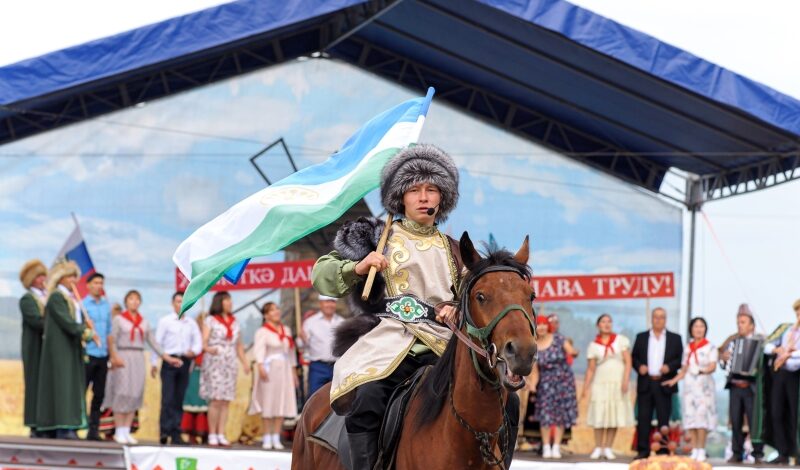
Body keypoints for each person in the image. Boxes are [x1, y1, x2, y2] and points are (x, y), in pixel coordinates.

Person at [313, 145, 520, 469]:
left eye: (431, 189)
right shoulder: (374, 237)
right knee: (368, 397)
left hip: (444, 347)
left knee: (509, 402)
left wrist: (456, 307)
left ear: (443, 197)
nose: (423, 197)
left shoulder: (456, 250)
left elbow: (476, 300)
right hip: (388, 343)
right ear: (400, 197)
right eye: (414, 189)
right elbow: (321, 276)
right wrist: (358, 266)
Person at [105, 290, 181, 444]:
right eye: (131, 299)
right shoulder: (119, 319)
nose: (134, 302)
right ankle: (119, 430)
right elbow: (112, 339)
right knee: (122, 393)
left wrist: (167, 358)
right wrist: (114, 357)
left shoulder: (144, 322)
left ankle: (127, 430)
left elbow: (153, 342)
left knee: (135, 393)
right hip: (123, 356)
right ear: (126, 302)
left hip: (138, 357)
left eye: (137, 299)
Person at [35, 260, 99, 439]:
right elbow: (67, 323)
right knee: (63, 385)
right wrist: (85, 332)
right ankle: (63, 426)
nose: (73, 280)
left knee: (72, 386)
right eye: (70, 276)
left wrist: (85, 325)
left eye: (75, 277)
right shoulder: (56, 297)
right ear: (61, 278)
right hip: (60, 348)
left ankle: (71, 424)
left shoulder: (72, 299)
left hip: (72, 347)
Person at [151, 291, 202, 445]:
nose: (181, 304)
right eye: (178, 301)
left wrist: (193, 351)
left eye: (183, 301)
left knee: (179, 398)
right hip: (169, 361)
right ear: (173, 303)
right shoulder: (165, 321)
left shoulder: (191, 323)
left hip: (184, 361)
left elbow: (198, 342)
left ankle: (176, 432)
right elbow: (157, 343)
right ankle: (164, 431)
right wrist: (154, 363)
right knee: (168, 398)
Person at [631, 307, 683, 459]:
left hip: (664, 383)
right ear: (651, 319)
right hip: (646, 382)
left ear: (665, 320)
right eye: (656, 317)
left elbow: (679, 360)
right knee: (643, 418)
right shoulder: (641, 337)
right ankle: (643, 450)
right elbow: (634, 357)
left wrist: (669, 367)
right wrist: (639, 366)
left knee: (664, 418)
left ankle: (662, 450)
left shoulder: (675, 338)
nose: (658, 320)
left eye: (662, 317)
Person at [663, 317, 717, 462]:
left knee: (702, 419)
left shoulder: (710, 347)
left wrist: (701, 371)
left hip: (703, 386)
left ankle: (702, 449)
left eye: (701, 326)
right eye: (696, 326)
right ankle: (694, 449)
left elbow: (712, 366)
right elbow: (684, 369)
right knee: (691, 418)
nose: (698, 329)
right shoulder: (688, 347)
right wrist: (673, 380)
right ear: (691, 329)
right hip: (689, 387)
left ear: (705, 329)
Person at [200, 291, 250, 447]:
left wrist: (244, 362)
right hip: (215, 361)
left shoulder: (235, 322)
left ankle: (221, 433)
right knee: (216, 399)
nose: (230, 303)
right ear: (219, 302)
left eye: (230, 300)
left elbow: (239, 345)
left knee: (226, 400)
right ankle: (212, 433)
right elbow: (204, 342)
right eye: (226, 300)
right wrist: (209, 349)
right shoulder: (210, 320)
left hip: (230, 362)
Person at [580, 314, 633, 460]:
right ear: (598, 325)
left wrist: (625, 380)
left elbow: (628, 362)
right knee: (600, 413)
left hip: (617, 381)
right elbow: (591, 369)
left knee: (613, 415)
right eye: (603, 321)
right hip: (600, 382)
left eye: (609, 321)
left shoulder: (620, 340)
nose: (607, 324)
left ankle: (608, 447)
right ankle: (598, 447)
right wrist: (585, 387)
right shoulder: (593, 345)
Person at [718, 304, 764, 463]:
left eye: (743, 322)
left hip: (751, 388)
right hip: (735, 386)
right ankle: (736, 452)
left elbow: (762, 364)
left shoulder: (760, 341)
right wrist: (724, 359)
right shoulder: (732, 341)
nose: (740, 325)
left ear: (751, 325)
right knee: (736, 420)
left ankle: (758, 453)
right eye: (738, 322)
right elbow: (723, 361)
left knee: (754, 421)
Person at [248, 302, 298, 450]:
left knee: (281, 400)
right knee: (268, 401)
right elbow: (259, 350)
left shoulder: (286, 330)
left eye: (277, 309)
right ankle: (266, 436)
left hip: (284, 369)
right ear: (266, 315)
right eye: (272, 310)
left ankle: (276, 436)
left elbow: (291, 352)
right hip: (269, 368)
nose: (276, 312)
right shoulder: (263, 331)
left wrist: (293, 371)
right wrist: (260, 365)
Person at [529, 315, 578, 459]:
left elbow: (571, 351)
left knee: (560, 415)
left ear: (548, 326)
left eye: (544, 324)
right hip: (545, 383)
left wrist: (574, 352)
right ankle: (546, 446)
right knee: (545, 415)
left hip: (564, 381)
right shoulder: (534, 345)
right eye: (538, 324)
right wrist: (533, 385)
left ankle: (556, 446)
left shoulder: (558, 338)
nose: (541, 327)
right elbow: (535, 370)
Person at [760, 299, 800, 464]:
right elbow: (766, 346)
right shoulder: (786, 330)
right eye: (797, 311)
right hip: (780, 374)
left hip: (796, 376)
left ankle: (797, 452)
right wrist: (777, 349)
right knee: (776, 412)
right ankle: (782, 451)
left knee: (795, 414)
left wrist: (790, 354)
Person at [18, 259, 48, 437]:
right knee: (34, 384)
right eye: (39, 276)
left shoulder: (48, 296)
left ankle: (46, 422)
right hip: (34, 347)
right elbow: (36, 321)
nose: (43, 279)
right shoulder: (28, 299)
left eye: (44, 275)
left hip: (47, 347)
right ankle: (34, 424)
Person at [83, 272, 112, 441]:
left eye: (101, 283)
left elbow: (109, 332)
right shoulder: (82, 305)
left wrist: (111, 354)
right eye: (95, 283)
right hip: (88, 354)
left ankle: (93, 429)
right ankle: (77, 426)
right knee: (82, 390)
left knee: (99, 394)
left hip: (103, 355)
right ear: (88, 285)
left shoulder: (106, 305)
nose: (98, 286)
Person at [299, 295, 343, 397]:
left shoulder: (342, 322)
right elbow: (301, 345)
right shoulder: (310, 322)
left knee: (338, 398)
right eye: (327, 301)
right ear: (321, 303)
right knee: (315, 398)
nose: (329, 305)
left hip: (337, 366)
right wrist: (302, 339)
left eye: (332, 301)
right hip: (317, 367)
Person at [181, 312, 210, 445]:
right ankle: (192, 433)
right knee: (194, 401)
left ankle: (206, 433)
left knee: (207, 403)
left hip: (209, 371)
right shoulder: (193, 336)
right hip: (195, 371)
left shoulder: (212, 337)